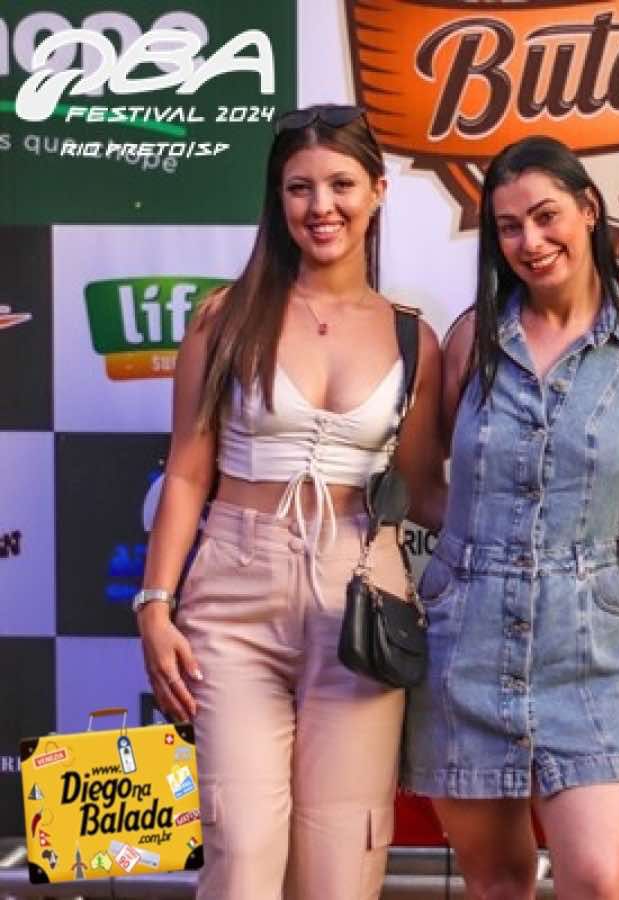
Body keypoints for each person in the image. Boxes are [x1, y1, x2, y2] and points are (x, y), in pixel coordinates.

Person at [135, 104, 444, 899]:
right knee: (241, 852)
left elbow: (424, 490)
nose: (321, 206)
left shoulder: (415, 338)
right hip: (234, 588)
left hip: (363, 594)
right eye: (299, 188)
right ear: (278, 200)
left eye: (341, 184)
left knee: (341, 863)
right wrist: (155, 604)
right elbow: (187, 474)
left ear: (377, 191)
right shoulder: (224, 317)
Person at [401, 135, 619, 900]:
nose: (530, 242)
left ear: (589, 210)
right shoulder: (470, 338)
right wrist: (482, 543)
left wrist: (591, 521)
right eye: (509, 227)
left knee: (600, 881)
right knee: (497, 882)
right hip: (464, 636)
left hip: (588, 646)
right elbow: (421, 485)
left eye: (546, 216)